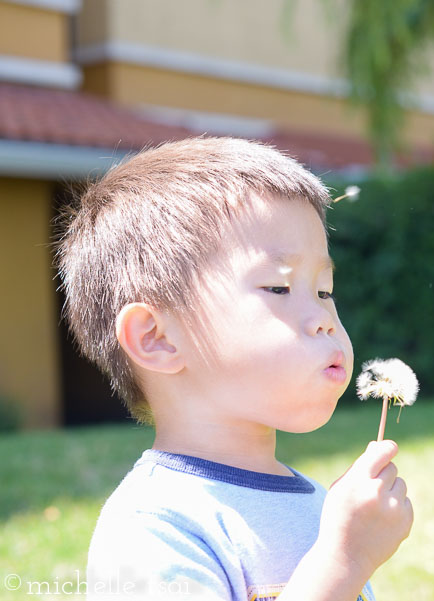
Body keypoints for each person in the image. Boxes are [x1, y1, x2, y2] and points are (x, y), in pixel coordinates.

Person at [54, 136, 413, 600]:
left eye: (324, 291)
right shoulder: (155, 527)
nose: (324, 320)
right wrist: (342, 561)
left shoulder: (319, 505)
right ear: (157, 338)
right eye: (279, 288)